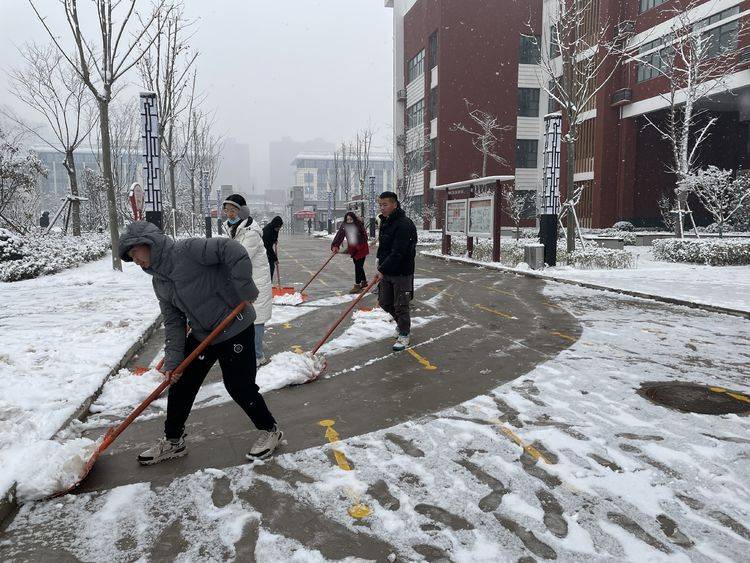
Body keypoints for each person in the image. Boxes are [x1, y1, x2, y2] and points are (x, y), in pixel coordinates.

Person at [118, 221, 283, 465]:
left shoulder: (188, 250)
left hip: (235, 325)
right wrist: (173, 363)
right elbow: (173, 323)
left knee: (238, 385)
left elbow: (232, 250)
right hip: (204, 333)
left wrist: (244, 286)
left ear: (147, 244)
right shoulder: (160, 282)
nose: (136, 261)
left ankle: (270, 430)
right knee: (182, 382)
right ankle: (173, 441)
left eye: (134, 254)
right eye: (130, 257)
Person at [223, 194, 273, 367]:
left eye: (233, 210)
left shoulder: (250, 233)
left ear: (242, 212)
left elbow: (240, 257)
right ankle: (252, 348)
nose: (229, 214)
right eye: (227, 210)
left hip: (256, 282)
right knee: (246, 318)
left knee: (257, 318)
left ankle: (258, 356)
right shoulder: (235, 229)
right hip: (245, 281)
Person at [376, 191, 417, 352]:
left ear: (395, 204)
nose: (382, 208)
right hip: (387, 271)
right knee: (385, 302)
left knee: (401, 305)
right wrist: (380, 267)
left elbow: (398, 252)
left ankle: (404, 333)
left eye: (385, 204)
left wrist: (382, 269)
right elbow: (384, 248)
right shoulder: (386, 222)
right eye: (380, 204)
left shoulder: (404, 224)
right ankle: (401, 325)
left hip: (402, 272)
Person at [331, 211, 369, 293]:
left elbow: (364, 237)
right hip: (353, 249)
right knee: (359, 266)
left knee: (358, 266)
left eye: (351, 219)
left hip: (361, 248)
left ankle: (357, 285)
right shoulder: (345, 226)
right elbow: (339, 235)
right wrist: (335, 245)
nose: (349, 221)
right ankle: (364, 282)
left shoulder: (358, 225)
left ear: (354, 219)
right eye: (347, 219)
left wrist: (358, 247)